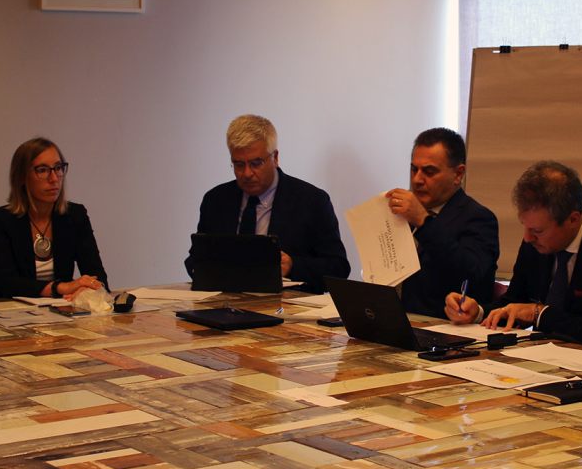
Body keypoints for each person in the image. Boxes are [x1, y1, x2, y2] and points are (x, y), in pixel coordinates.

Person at [444, 160, 582, 356]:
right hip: (547, 361)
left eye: (537, 231)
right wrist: (478, 312)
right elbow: (515, 301)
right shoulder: (536, 242)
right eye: (525, 226)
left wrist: (540, 314)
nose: (527, 238)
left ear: (573, 219)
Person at [185, 114, 349, 292]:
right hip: (225, 303)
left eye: (256, 163)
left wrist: (293, 266)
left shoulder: (312, 201)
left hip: (288, 305)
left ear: (275, 158)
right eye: (239, 165)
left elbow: (338, 268)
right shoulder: (216, 200)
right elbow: (195, 260)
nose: (247, 173)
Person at [387, 128, 498, 318]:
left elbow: (471, 275)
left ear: (458, 174)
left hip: (444, 325)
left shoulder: (478, 218)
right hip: (393, 319)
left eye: (429, 171)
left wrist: (424, 222)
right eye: (414, 169)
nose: (417, 179)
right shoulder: (403, 214)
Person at [0, 137, 108, 299]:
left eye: (58, 168)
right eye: (42, 170)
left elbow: (97, 275)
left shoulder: (75, 215)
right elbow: (7, 283)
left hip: (62, 307)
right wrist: (61, 288)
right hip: (13, 309)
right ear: (21, 177)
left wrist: (88, 289)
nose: (54, 178)